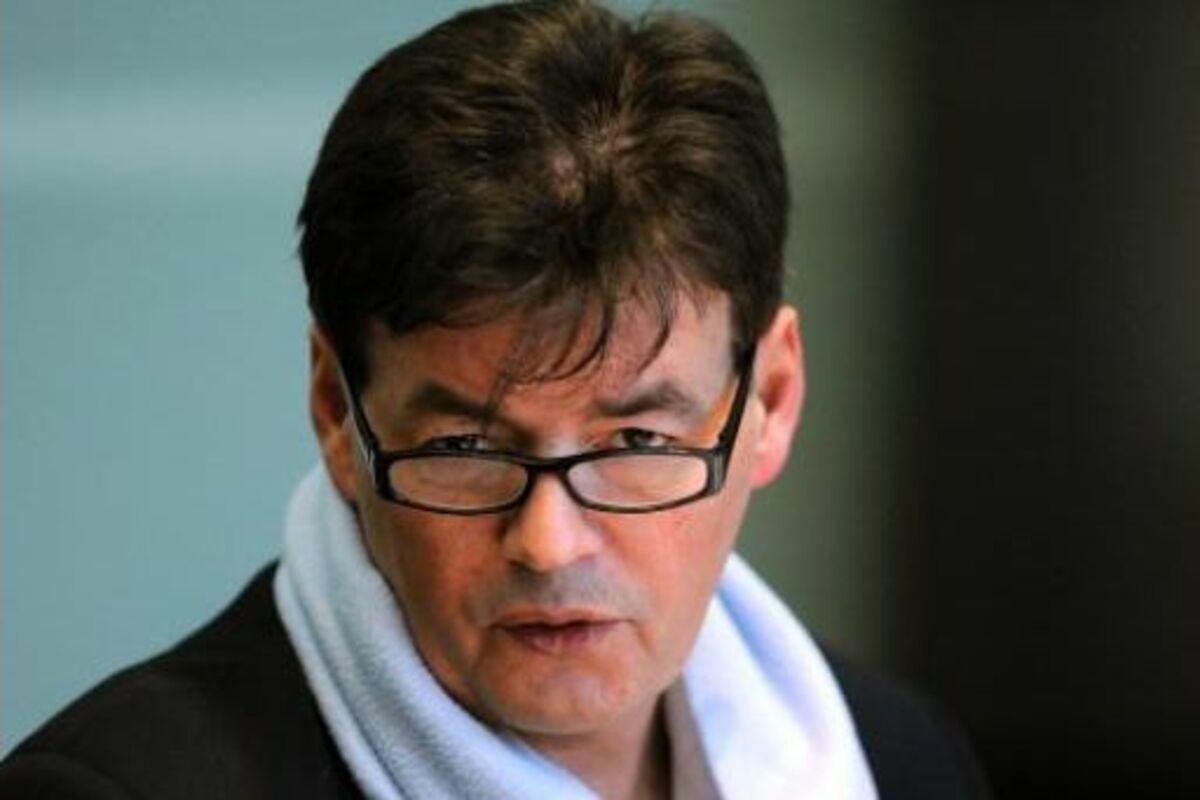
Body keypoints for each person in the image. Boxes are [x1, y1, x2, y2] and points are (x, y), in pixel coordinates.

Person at [0, 1, 989, 798]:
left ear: (770, 398)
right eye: (466, 448)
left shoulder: (894, 759)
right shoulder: (120, 789)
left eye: (636, 439)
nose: (549, 544)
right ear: (338, 413)